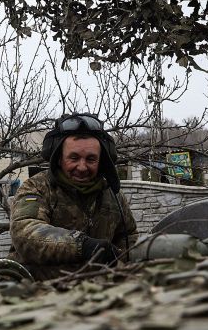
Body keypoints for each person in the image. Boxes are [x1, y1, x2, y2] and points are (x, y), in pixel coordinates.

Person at [9, 113, 138, 279]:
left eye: (91, 159)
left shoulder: (113, 195)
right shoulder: (36, 188)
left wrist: (122, 265)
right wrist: (82, 246)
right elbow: (25, 233)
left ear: (102, 161)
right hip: (34, 291)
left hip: (94, 292)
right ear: (59, 158)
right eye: (74, 158)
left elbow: (129, 237)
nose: (82, 167)